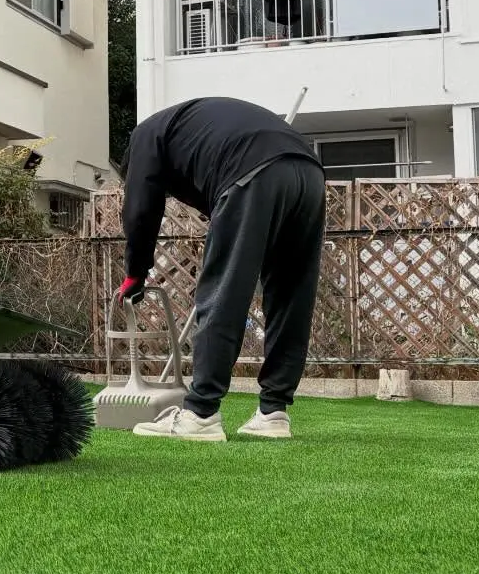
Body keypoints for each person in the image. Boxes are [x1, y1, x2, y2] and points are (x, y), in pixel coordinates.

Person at [116, 96, 325, 442]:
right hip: (309, 173)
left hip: (252, 172)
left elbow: (140, 211)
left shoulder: (144, 138)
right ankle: (273, 411)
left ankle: (200, 414)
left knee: (224, 292)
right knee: (292, 293)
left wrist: (135, 273)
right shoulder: (186, 130)